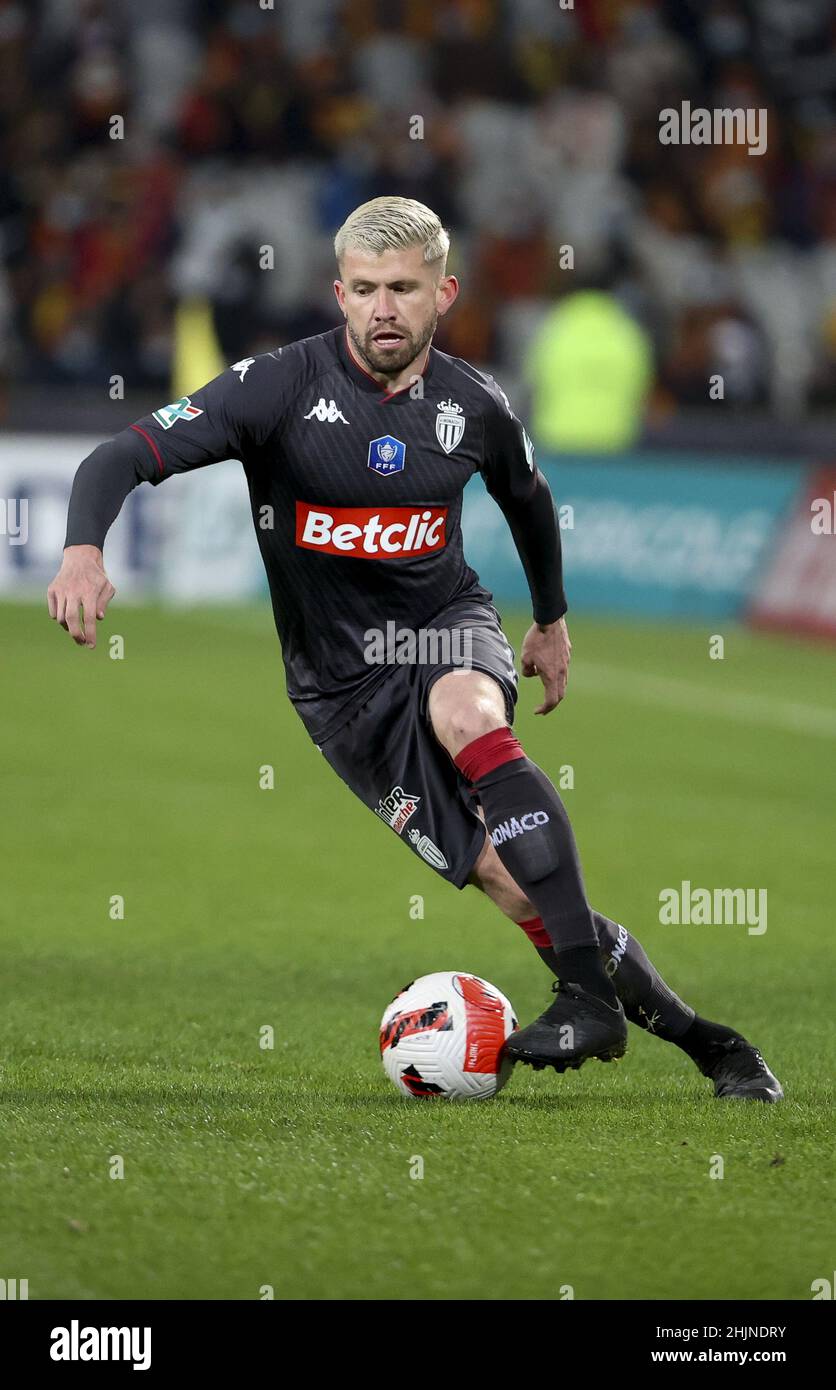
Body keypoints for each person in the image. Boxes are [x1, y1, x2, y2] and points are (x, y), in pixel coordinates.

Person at [48, 196, 782, 1100]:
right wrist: (84, 547)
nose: (383, 308)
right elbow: (116, 458)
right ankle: (717, 1047)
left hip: (443, 621)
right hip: (341, 692)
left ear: (445, 292)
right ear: (339, 292)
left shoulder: (473, 404)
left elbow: (529, 500)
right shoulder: (277, 387)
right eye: (363, 289)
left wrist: (549, 619)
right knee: (513, 888)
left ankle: (586, 996)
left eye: (403, 288)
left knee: (467, 708)